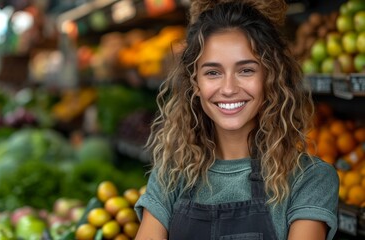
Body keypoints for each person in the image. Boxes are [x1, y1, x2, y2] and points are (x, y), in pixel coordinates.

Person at [134, 0, 339, 239]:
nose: (229, 88)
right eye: (213, 72)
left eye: (246, 70)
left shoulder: (309, 179)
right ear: (195, 84)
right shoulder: (171, 176)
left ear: (271, 78)